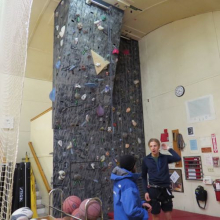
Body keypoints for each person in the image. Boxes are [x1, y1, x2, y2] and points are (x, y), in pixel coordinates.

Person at [142, 138, 181, 220]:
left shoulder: (165, 157)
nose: (153, 148)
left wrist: (168, 148)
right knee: (155, 214)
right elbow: (144, 177)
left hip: (165, 188)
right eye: (151, 146)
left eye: (155, 146)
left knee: (168, 213)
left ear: (158, 146)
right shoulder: (146, 160)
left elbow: (177, 158)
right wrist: (145, 191)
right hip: (153, 189)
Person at [111, 155, 152, 220]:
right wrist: (144, 212)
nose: (135, 167)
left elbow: (124, 202)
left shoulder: (119, 180)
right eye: (134, 165)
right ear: (131, 166)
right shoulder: (128, 184)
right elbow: (131, 211)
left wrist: (141, 204)